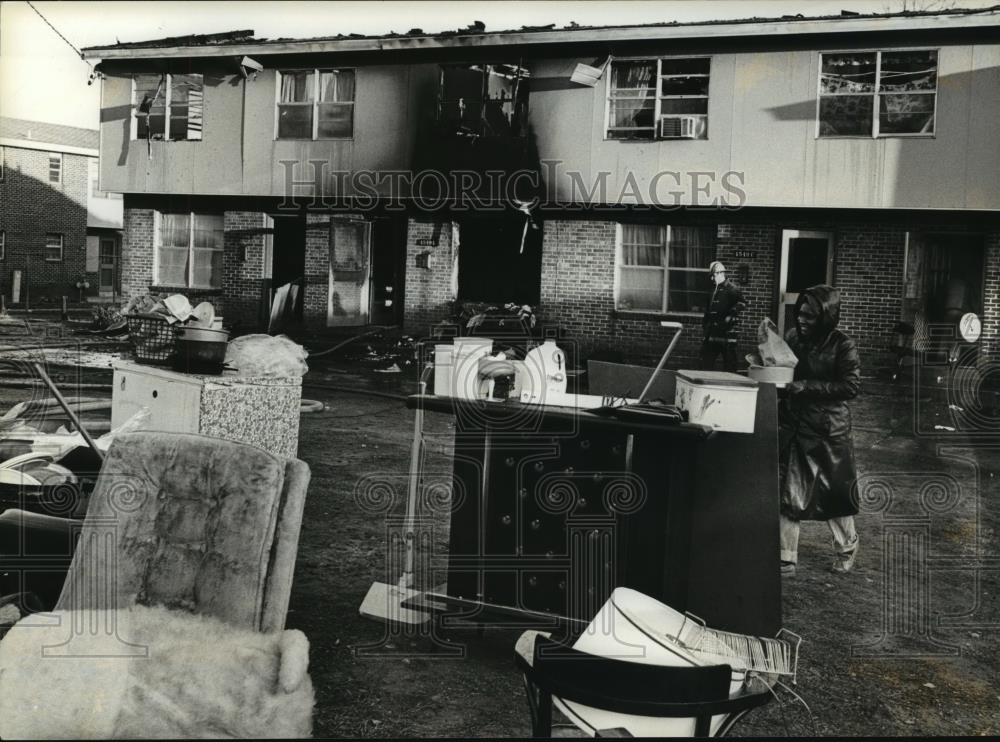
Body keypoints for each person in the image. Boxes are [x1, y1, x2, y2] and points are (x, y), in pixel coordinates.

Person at [778, 285, 861, 576]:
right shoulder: (792, 339)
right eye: (800, 314)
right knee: (789, 492)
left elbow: (851, 386)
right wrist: (768, 352)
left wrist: (808, 387)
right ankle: (786, 558)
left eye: (810, 316)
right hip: (797, 424)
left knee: (835, 497)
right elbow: (782, 370)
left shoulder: (843, 345)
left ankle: (846, 547)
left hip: (829, 430)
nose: (801, 320)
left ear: (826, 317)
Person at [700, 261, 746, 372]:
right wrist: (705, 324)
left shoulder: (732, 289)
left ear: (720, 273)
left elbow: (742, 303)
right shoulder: (712, 290)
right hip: (712, 333)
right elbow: (708, 309)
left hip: (727, 333)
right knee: (706, 362)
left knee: (730, 364)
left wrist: (731, 314)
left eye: (713, 275)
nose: (712, 279)